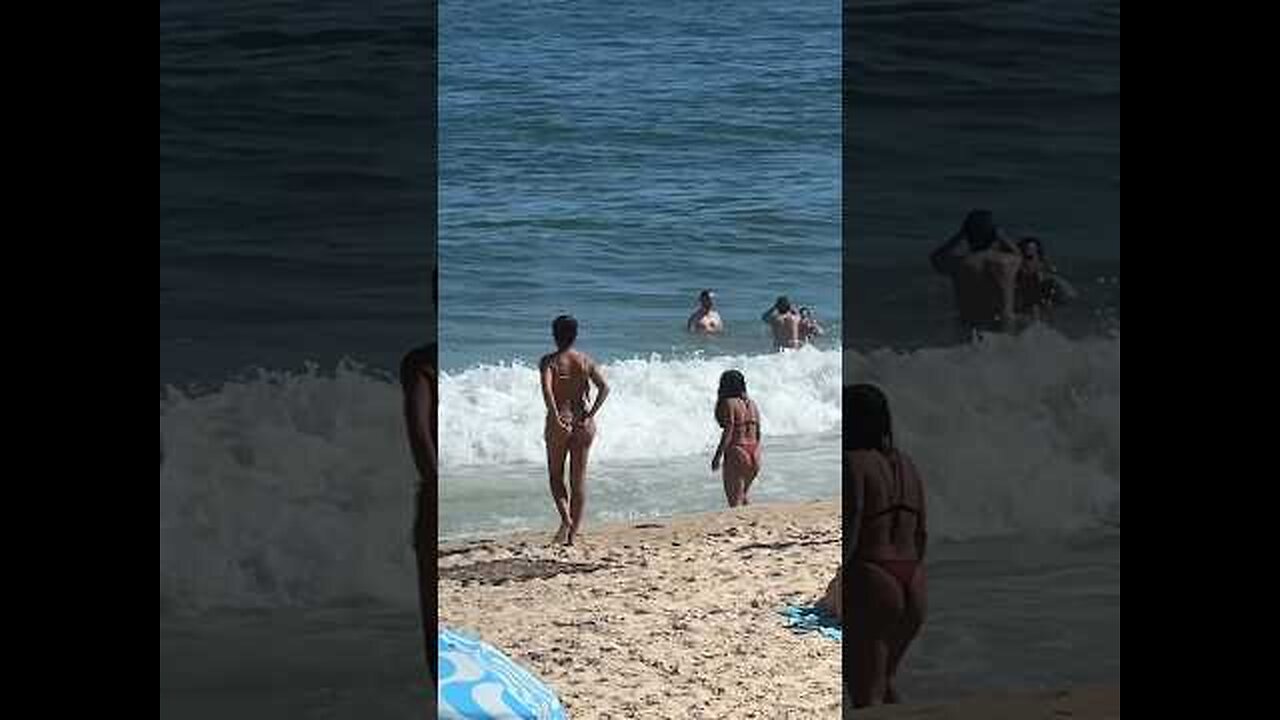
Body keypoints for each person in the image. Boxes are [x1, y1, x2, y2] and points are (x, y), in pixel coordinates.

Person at [844, 384, 928, 708]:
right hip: (914, 580)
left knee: (866, 694)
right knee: (884, 683)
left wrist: (838, 579)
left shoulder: (853, 463)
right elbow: (921, 533)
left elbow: (852, 526)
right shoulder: (908, 466)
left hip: (872, 575)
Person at [539, 315, 610, 545]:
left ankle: (566, 518)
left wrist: (555, 416)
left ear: (554, 334)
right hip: (583, 423)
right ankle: (572, 536)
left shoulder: (549, 361)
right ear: (575, 335)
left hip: (560, 421)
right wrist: (591, 414)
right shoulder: (585, 361)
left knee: (555, 476)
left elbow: (548, 391)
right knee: (578, 480)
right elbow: (604, 388)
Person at [400, 264, 439, 681]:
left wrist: (434, 483)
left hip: (434, 489)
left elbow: (418, 430)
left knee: (432, 615)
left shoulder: (420, 363)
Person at [929, 209, 1022, 338]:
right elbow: (1018, 254)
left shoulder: (959, 264)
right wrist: (1001, 236)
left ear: (967, 236)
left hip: (971, 328)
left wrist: (960, 235)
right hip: (1003, 327)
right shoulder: (1008, 262)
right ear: (994, 235)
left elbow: (935, 258)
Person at [710, 370, 762, 507]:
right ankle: (748, 525)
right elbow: (758, 432)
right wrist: (755, 452)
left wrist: (717, 456)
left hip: (738, 451)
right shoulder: (753, 404)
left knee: (734, 502)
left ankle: (739, 526)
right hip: (755, 453)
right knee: (743, 496)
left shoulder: (729, 403)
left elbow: (728, 431)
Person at [1015, 236, 1078, 325]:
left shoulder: (1050, 283)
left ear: (1040, 260)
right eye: (1019, 256)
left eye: (1028, 257)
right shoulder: (1013, 281)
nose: (1022, 261)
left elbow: (1072, 298)